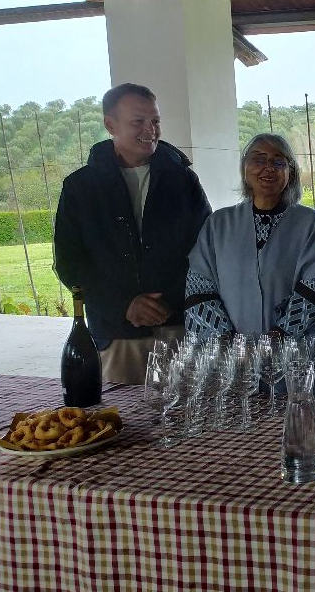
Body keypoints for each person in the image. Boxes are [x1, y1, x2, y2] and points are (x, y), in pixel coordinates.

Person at [54, 83, 210, 384]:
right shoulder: (81, 187)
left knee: (189, 409)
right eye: (138, 121)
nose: (150, 130)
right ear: (110, 124)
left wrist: (168, 301)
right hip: (116, 334)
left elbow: (205, 250)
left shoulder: (183, 180)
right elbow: (70, 263)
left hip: (178, 328)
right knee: (122, 412)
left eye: (155, 121)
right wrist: (124, 305)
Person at [184, 133, 315, 342]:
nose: (269, 168)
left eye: (279, 162)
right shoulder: (218, 224)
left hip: (296, 351)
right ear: (245, 168)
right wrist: (229, 342)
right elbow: (199, 285)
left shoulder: (310, 222)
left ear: (291, 172)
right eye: (259, 160)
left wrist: (276, 339)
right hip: (234, 353)